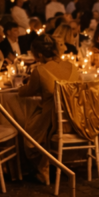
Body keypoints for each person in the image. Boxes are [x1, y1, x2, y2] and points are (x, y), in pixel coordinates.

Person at [16, 34, 81, 184]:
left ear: (38, 54)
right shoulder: (71, 66)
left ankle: (42, 169)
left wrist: (23, 85)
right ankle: (53, 164)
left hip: (53, 121)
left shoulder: (40, 70)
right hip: (75, 119)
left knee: (29, 129)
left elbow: (26, 92)